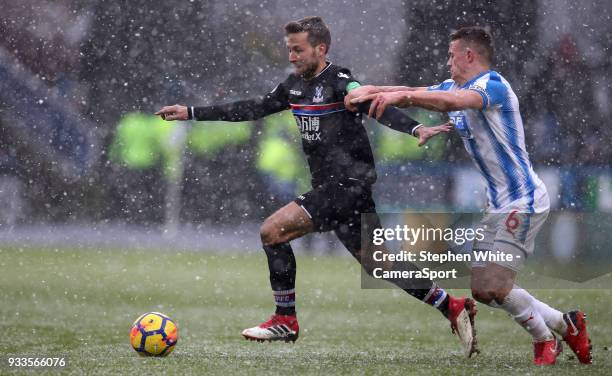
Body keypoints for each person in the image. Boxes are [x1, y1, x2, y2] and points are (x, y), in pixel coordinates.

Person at [156, 16, 478, 356]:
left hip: (346, 185)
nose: (292, 56)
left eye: (299, 50)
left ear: (320, 49)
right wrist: (192, 112)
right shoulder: (293, 86)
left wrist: (415, 129)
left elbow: (374, 105)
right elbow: (251, 108)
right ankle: (451, 305)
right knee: (379, 263)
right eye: (289, 50)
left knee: (272, 232)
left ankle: (285, 319)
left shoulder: (340, 81)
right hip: (340, 189)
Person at [349, 26, 592, 365]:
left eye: (451, 55)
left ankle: (544, 339)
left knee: (497, 284)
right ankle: (566, 324)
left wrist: (398, 98)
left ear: (469, 55)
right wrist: (374, 89)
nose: (448, 62)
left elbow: (450, 101)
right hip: (496, 203)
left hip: (523, 199)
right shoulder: (454, 86)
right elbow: (421, 90)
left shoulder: (492, 86)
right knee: (483, 290)